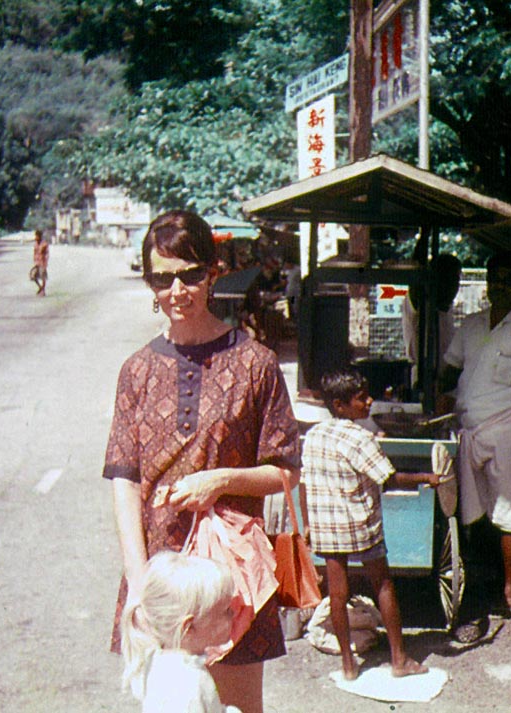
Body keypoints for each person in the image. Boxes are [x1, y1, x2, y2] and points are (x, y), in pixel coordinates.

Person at [103, 209, 301, 713]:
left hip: (228, 582)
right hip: (162, 583)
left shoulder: (255, 363)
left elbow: (285, 472)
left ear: (213, 271)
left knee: (238, 709)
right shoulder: (137, 371)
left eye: (190, 274)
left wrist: (222, 480)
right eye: (162, 278)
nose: (177, 291)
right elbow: (124, 480)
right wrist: (140, 585)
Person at [300, 367, 436, 681]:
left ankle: (348, 666)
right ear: (340, 405)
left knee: (337, 593)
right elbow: (388, 479)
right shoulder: (361, 438)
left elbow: (305, 483)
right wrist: (427, 477)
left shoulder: (315, 434)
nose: (370, 401)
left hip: (326, 526)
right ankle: (399, 660)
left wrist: (308, 524)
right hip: (361, 524)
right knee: (383, 585)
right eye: (361, 398)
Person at [438, 251, 511, 627]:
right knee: (470, 512)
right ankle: (476, 585)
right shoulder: (470, 325)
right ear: (486, 283)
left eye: (508, 279)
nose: (500, 285)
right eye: (494, 278)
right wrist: (436, 404)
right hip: (469, 431)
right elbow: (449, 371)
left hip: (510, 432)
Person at [120, 551, 240, 713]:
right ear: (188, 628)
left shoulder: (157, 660)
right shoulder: (187, 685)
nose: (232, 614)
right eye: (224, 610)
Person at [400, 253, 462, 388]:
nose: (454, 287)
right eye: (448, 280)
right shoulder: (419, 305)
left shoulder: (447, 308)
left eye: (456, 281)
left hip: (446, 384)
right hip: (423, 383)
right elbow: (416, 276)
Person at [241, 254, 286, 345]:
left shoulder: (256, 279)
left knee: (258, 321)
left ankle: (260, 335)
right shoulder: (251, 279)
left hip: (255, 304)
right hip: (251, 305)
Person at [32, 229, 49, 296]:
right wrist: (34, 261)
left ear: (40, 236)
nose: (35, 237)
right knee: (33, 276)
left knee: (43, 277)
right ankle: (40, 288)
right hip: (37, 262)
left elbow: (47, 253)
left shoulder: (44, 244)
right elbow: (34, 253)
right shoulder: (35, 244)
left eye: (36, 236)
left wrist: (46, 262)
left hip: (42, 262)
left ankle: (43, 291)